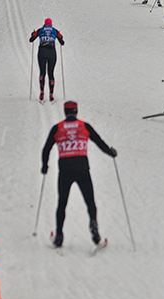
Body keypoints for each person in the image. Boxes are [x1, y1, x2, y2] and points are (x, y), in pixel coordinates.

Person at [41, 101, 117, 249]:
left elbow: (46, 149)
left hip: (65, 169)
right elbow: (99, 142)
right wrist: (111, 152)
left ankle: (59, 235)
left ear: (65, 112)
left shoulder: (57, 128)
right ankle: (94, 229)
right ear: (76, 111)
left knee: (62, 203)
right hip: (82, 168)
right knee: (90, 201)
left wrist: (45, 166)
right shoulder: (84, 126)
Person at [30, 18, 65, 102]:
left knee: (42, 72)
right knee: (51, 73)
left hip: (42, 52)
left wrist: (32, 34)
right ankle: (51, 94)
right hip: (51, 52)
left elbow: (31, 39)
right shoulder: (55, 30)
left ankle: (42, 92)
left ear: (44, 24)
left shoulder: (40, 30)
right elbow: (62, 42)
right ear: (51, 24)